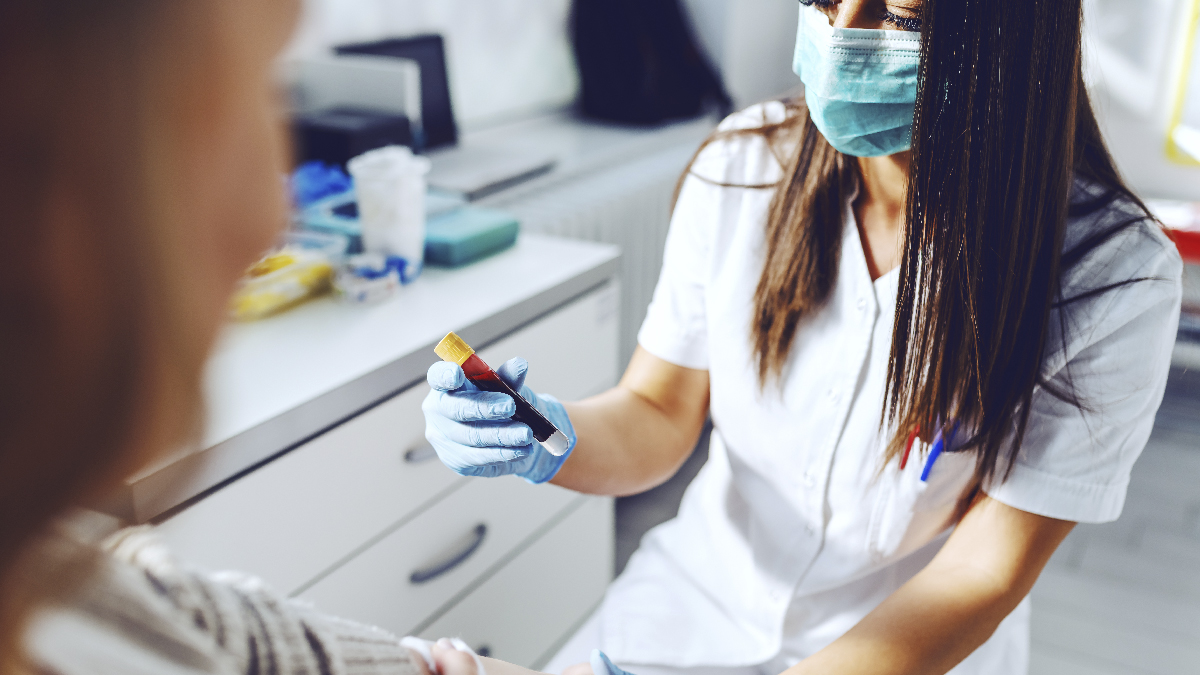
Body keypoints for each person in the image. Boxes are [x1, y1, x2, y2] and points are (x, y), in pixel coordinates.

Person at [422, 1, 1184, 674]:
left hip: (905, 643)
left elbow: (980, 573)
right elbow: (658, 409)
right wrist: (546, 434)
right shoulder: (742, 165)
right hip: (691, 608)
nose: (842, 33)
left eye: (903, 14)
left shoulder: (1110, 273)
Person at [0, 2, 558, 675]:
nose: (272, 219)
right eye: (254, 89)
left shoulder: (62, 580)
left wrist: (432, 666)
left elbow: (209, 625)